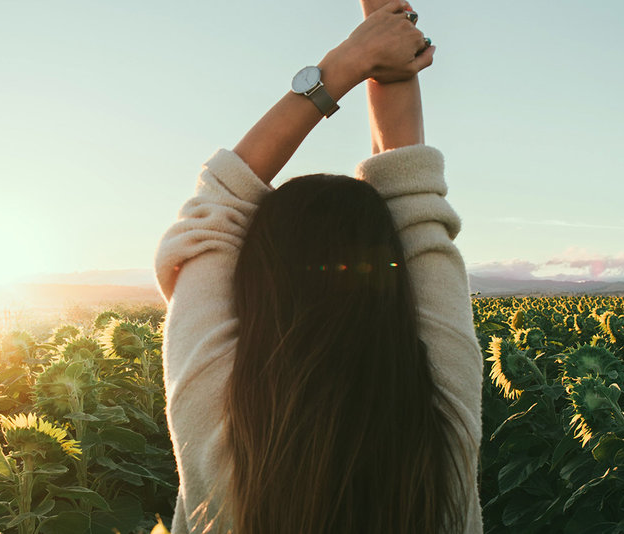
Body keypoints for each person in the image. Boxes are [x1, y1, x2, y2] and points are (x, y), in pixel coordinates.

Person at [154, 0, 483, 532]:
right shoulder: (445, 414)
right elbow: (411, 183)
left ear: (255, 280)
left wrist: (347, 61)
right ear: (393, 276)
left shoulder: (214, 421)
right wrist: (379, 32)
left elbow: (220, 197)